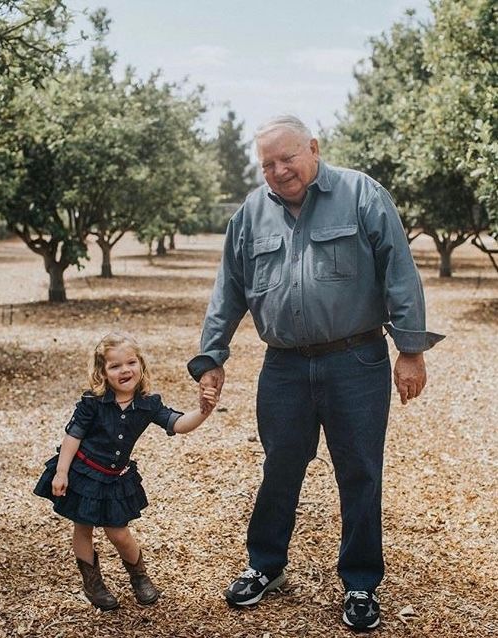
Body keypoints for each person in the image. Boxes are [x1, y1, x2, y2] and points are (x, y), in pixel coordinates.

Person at [188, 115, 444, 631]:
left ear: (313, 148)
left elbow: (399, 270)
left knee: (360, 472)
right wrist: (211, 357)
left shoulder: (362, 194)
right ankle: (265, 566)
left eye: (287, 158)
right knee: (279, 467)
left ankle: (361, 583)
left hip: (357, 361)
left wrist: (411, 349)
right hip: (282, 366)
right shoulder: (250, 214)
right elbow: (229, 290)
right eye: (267, 164)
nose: (279, 171)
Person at [34, 332, 217, 611]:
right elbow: (73, 436)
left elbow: (178, 424)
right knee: (83, 526)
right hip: (84, 473)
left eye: (131, 363)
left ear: (140, 365)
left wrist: (204, 411)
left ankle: (139, 577)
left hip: (115, 478)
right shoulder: (93, 402)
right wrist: (62, 472)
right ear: (102, 372)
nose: (125, 370)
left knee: (118, 532)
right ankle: (93, 583)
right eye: (115, 366)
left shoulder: (148, 404)